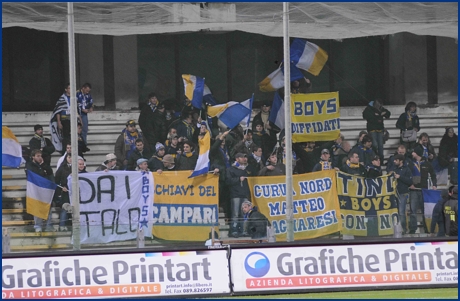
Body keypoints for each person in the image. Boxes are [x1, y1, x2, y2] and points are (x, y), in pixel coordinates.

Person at [408, 145, 437, 234]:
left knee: (425, 210)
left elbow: (433, 174)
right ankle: (413, 229)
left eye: (413, 152)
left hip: (424, 190)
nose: (412, 153)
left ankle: (427, 228)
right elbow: (407, 175)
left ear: (417, 153)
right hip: (413, 190)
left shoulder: (427, 163)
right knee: (413, 210)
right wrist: (410, 184)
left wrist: (434, 184)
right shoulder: (410, 163)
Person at [25, 150, 55, 232]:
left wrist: (43, 166)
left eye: (40, 156)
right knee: (37, 208)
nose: (40, 158)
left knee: (48, 207)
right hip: (36, 190)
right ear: (33, 157)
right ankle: (38, 226)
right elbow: (37, 174)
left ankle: (49, 225)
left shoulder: (44, 165)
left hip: (45, 190)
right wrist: (43, 171)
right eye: (38, 156)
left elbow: (50, 172)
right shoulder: (29, 165)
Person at [226, 153, 251, 238]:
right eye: (241, 157)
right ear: (237, 159)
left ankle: (243, 230)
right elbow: (228, 181)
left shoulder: (246, 170)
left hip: (244, 194)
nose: (244, 158)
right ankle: (234, 230)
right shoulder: (230, 169)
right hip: (235, 194)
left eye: (244, 157)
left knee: (244, 213)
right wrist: (238, 179)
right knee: (235, 213)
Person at [52, 83, 82, 154]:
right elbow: (58, 111)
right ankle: (65, 152)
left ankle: (75, 151)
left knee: (74, 136)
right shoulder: (62, 99)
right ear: (66, 89)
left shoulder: (75, 98)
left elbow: (77, 110)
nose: (71, 90)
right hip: (64, 120)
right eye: (69, 88)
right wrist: (59, 121)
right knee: (65, 137)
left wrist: (80, 120)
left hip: (73, 119)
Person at [391, 154, 413, 234]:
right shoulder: (394, 169)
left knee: (401, 212)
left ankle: (403, 229)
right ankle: (396, 228)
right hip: (394, 193)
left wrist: (400, 177)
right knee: (395, 212)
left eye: (396, 160)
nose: (394, 161)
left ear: (401, 161)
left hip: (402, 193)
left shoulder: (407, 169)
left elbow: (410, 181)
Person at [54, 153, 72, 231]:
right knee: (65, 208)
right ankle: (62, 225)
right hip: (65, 191)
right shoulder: (62, 168)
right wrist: (61, 188)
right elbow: (56, 181)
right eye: (69, 157)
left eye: (72, 157)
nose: (70, 159)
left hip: (75, 192)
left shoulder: (78, 167)